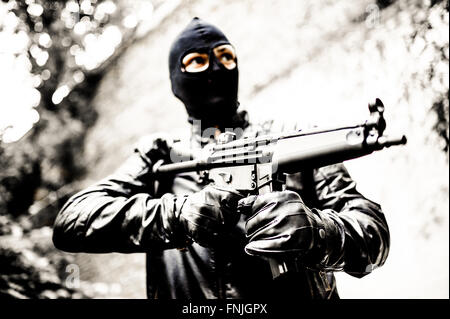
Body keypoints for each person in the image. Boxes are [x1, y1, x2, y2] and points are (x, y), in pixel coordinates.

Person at [52, 17, 390, 299]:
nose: (216, 67)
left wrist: (318, 232)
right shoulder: (161, 154)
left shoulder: (295, 139)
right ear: (176, 81)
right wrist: (177, 214)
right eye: (197, 61)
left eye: (226, 57)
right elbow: (73, 221)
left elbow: (373, 233)